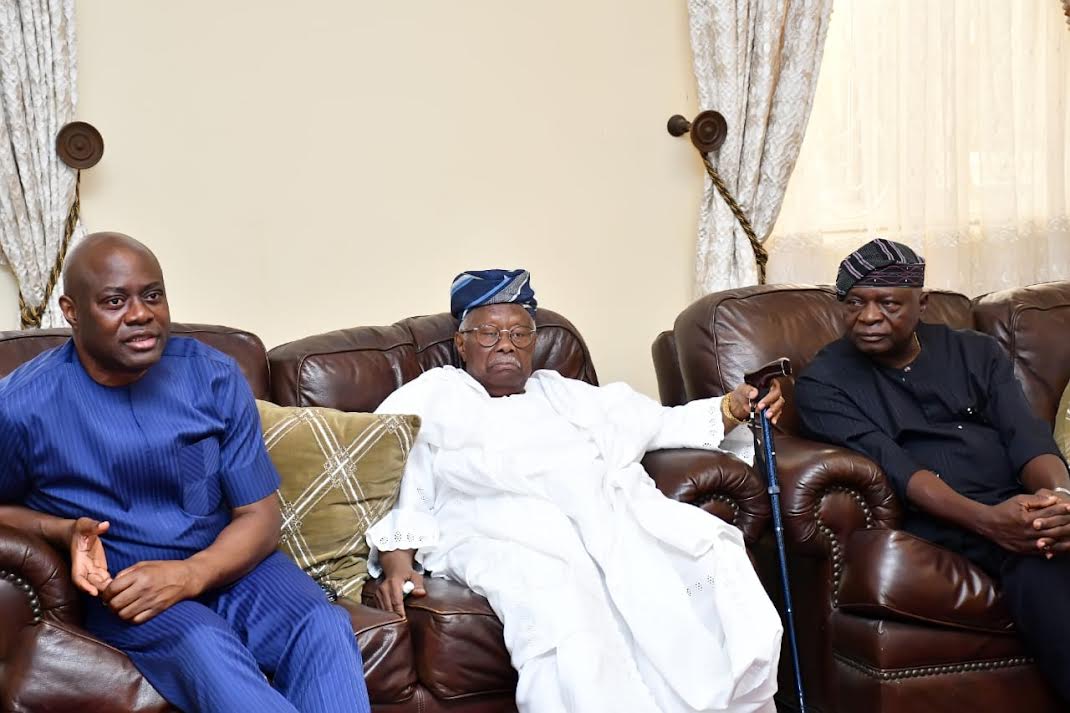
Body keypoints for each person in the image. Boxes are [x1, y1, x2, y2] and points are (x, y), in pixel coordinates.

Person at [367, 268, 784, 713]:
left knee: (708, 551)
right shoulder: (436, 395)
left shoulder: (566, 394)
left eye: (519, 333)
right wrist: (398, 561)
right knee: (559, 601)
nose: (506, 344)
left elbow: (659, 422)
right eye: (488, 333)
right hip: (497, 529)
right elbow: (401, 478)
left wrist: (733, 406)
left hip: (602, 521)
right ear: (461, 342)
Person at [0, 233, 371, 713]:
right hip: (130, 590)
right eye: (115, 301)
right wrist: (63, 530)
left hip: (235, 568)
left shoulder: (213, 376)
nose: (140, 314)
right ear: (71, 311)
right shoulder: (21, 404)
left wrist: (192, 573)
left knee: (322, 624)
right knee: (206, 646)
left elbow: (258, 515)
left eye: (152, 295)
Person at [795, 238, 1070, 701]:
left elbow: (1027, 435)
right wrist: (990, 521)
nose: (868, 317)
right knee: (1040, 564)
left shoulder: (975, 352)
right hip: (942, 518)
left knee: (1048, 541)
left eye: (887, 303)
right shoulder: (823, 383)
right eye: (854, 303)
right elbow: (897, 467)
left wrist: (1060, 502)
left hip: (1017, 499)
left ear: (921, 303)